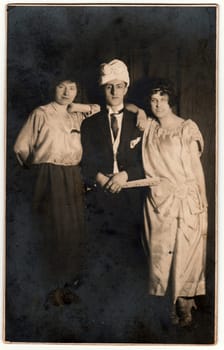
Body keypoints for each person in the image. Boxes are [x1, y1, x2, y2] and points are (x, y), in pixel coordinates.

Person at [13, 76, 100, 305]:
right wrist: (38, 172)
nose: (66, 92)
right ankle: (50, 288)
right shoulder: (41, 113)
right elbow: (20, 147)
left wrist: (75, 107)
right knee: (51, 229)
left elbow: (99, 109)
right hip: (47, 175)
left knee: (73, 231)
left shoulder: (77, 114)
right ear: (53, 87)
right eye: (62, 86)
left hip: (72, 175)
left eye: (72, 88)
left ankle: (67, 286)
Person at [80, 59, 146, 310]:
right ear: (103, 88)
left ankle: (130, 308)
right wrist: (102, 179)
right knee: (100, 250)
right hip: (99, 195)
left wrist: (124, 176)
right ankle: (100, 307)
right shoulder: (90, 124)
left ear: (126, 88)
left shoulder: (140, 122)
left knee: (130, 249)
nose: (115, 92)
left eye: (119, 86)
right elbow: (84, 162)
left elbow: (148, 161)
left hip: (131, 196)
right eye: (109, 86)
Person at [142, 78, 208, 327]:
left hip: (186, 197)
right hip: (159, 200)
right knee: (160, 255)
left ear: (171, 102)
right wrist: (137, 110)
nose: (157, 104)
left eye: (162, 100)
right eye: (153, 100)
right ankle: (165, 305)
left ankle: (184, 302)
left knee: (186, 252)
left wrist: (203, 201)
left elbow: (196, 167)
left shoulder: (186, 128)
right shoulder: (148, 126)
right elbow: (121, 108)